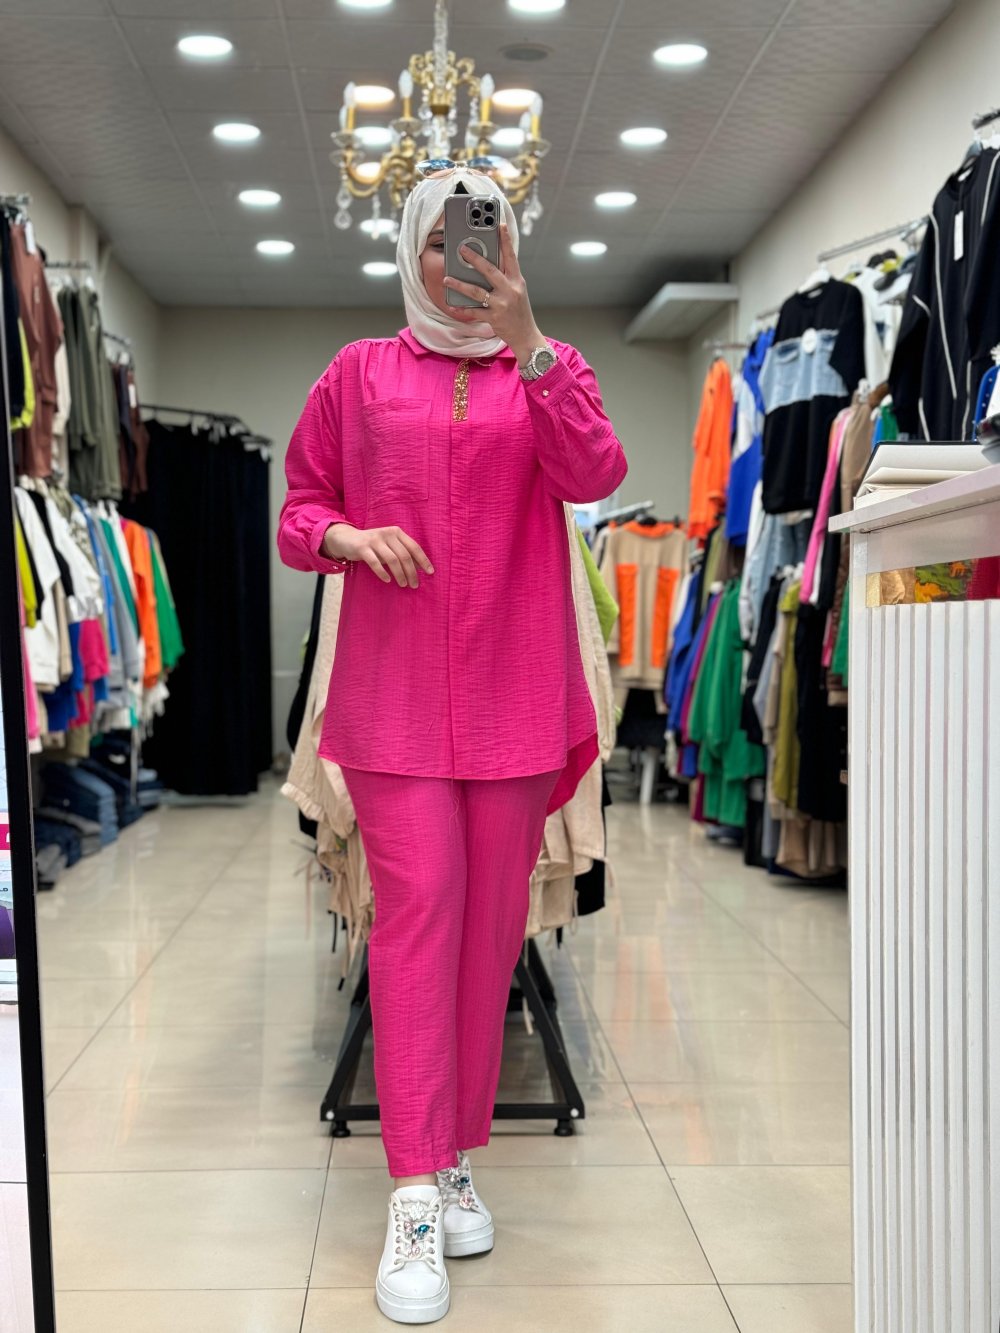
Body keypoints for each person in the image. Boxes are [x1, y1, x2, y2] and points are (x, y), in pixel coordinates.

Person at [278, 164, 627, 1324]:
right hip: (394, 702)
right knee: (419, 922)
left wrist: (529, 339)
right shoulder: (358, 374)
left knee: (489, 935)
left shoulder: (549, 368)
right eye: (442, 241)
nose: (462, 262)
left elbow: (596, 472)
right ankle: (414, 1191)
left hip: (517, 695)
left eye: (484, 240)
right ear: (412, 252)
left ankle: (455, 1151)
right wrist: (347, 535)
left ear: (509, 252)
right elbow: (297, 510)